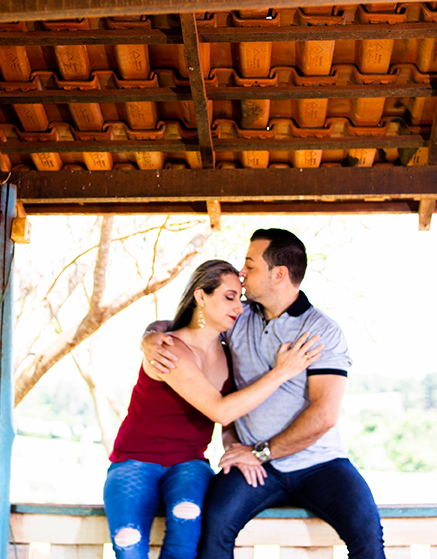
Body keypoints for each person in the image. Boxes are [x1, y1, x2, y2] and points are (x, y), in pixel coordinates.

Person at [143, 229, 386, 559]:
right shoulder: (238, 318)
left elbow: (324, 416)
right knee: (212, 531)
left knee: (369, 538)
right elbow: (186, 325)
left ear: (279, 275)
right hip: (253, 468)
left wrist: (260, 453)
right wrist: (150, 336)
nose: (241, 273)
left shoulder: (321, 331)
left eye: (250, 265)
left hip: (319, 464)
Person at [105, 258, 323, 559]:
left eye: (240, 299)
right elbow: (220, 411)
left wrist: (238, 451)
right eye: (229, 297)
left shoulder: (228, 354)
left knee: (185, 530)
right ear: (201, 296)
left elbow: (231, 417)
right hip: (134, 460)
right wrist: (282, 372)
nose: (239, 307)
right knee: (128, 542)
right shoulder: (168, 347)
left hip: (189, 464)